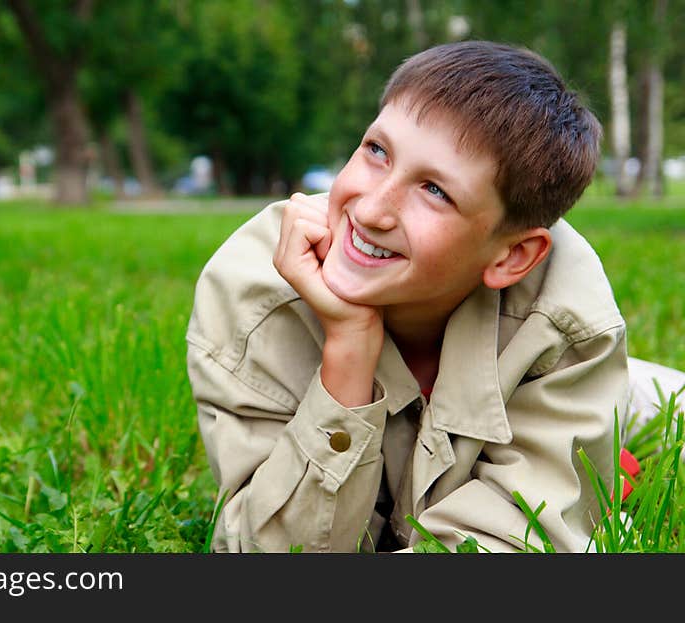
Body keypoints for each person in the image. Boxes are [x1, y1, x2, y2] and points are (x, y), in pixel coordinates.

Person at [186, 40, 685, 553]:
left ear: (510, 258)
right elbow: (268, 553)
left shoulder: (565, 324)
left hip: (567, 388)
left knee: (654, 410)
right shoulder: (254, 293)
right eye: (377, 151)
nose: (373, 210)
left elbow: (513, 541)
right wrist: (349, 348)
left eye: (435, 191)